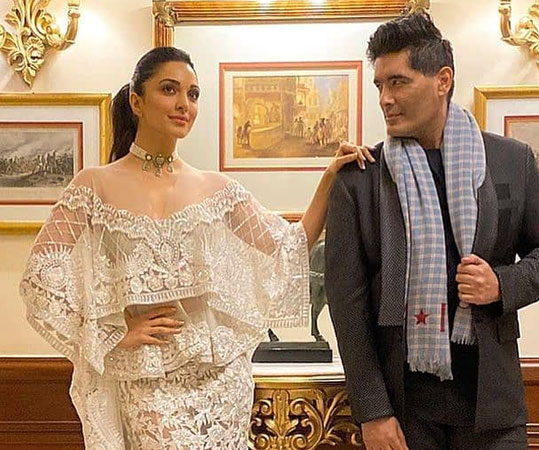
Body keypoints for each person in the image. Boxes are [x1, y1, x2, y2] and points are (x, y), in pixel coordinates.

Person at [19, 47, 373, 450]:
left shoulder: (218, 190)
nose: (183, 104)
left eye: (193, 94)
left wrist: (329, 179)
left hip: (220, 383)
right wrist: (115, 333)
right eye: (169, 89)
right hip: (144, 382)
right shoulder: (93, 186)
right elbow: (40, 280)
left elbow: (288, 250)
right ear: (136, 101)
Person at [325, 14, 539, 450]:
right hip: (404, 410)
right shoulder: (360, 179)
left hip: (492, 405)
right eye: (379, 85)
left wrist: (502, 284)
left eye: (398, 82)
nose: (385, 99)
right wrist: (373, 411)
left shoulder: (511, 160)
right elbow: (347, 306)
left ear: (443, 80)